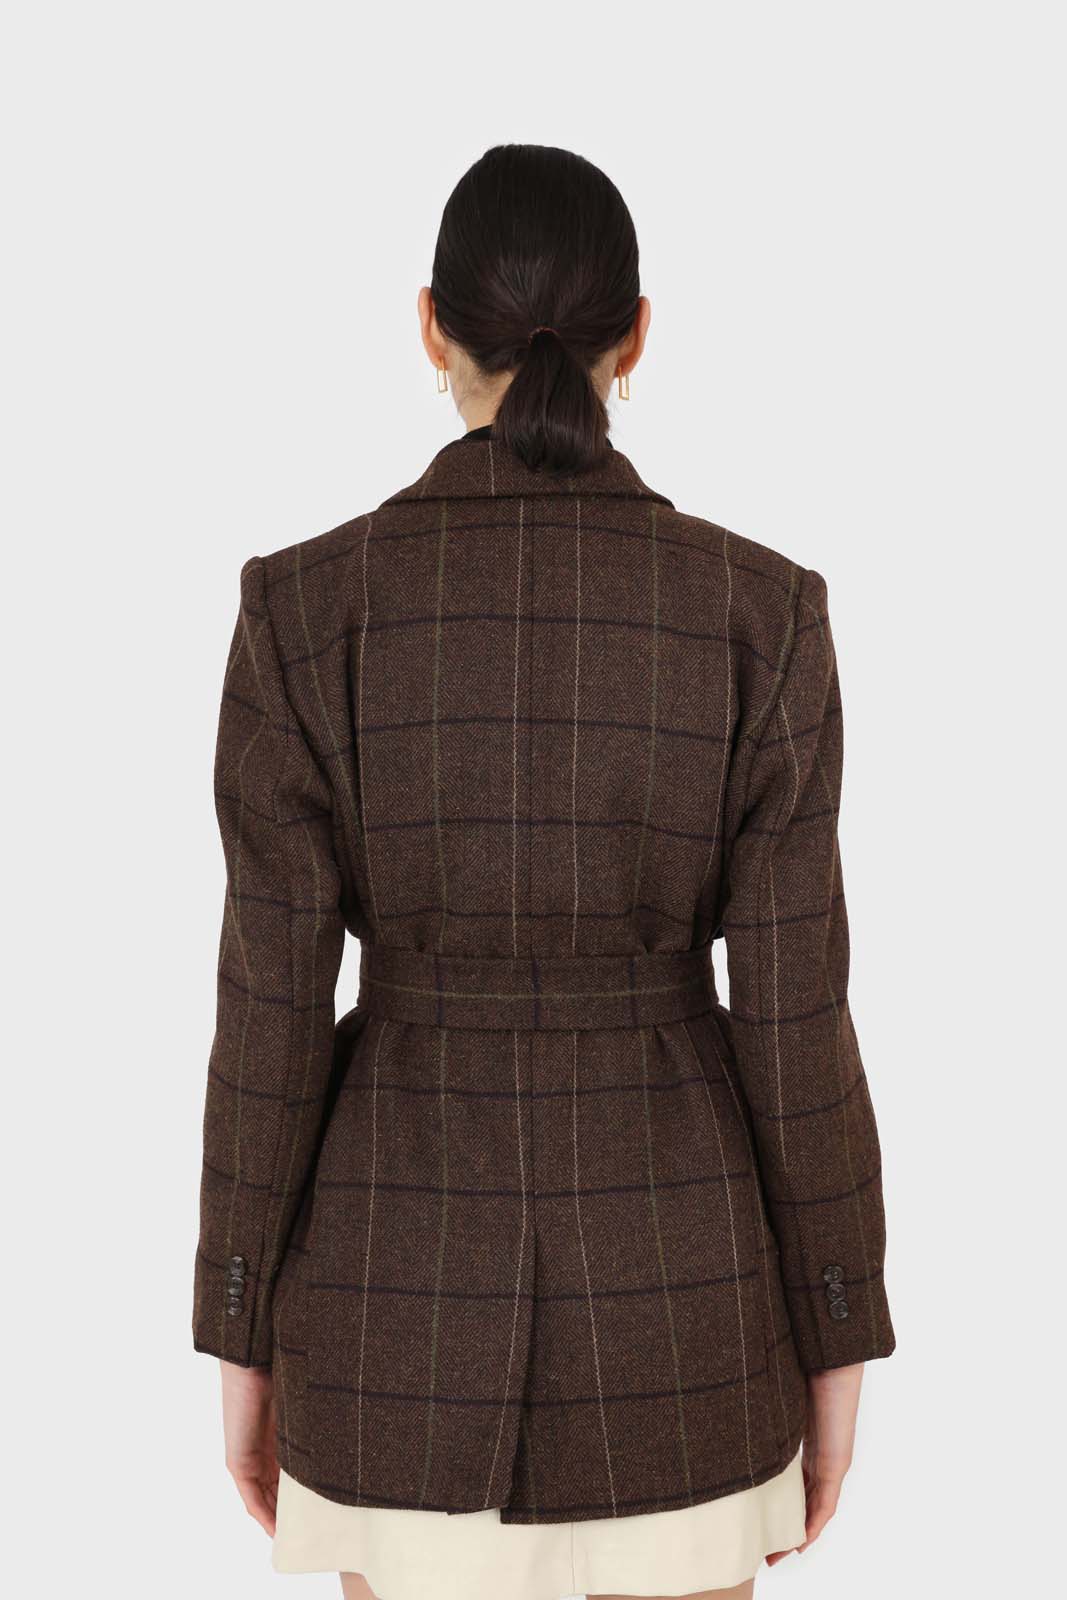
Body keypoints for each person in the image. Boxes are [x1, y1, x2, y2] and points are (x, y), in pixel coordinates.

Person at [192, 142, 895, 1600]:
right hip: (684, 1312)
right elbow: (797, 1024)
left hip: (391, 1310)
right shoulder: (760, 614)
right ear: (636, 335)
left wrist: (241, 1334)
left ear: (430, 327)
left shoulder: (305, 611)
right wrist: (836, 1339)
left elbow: (268, 1017)